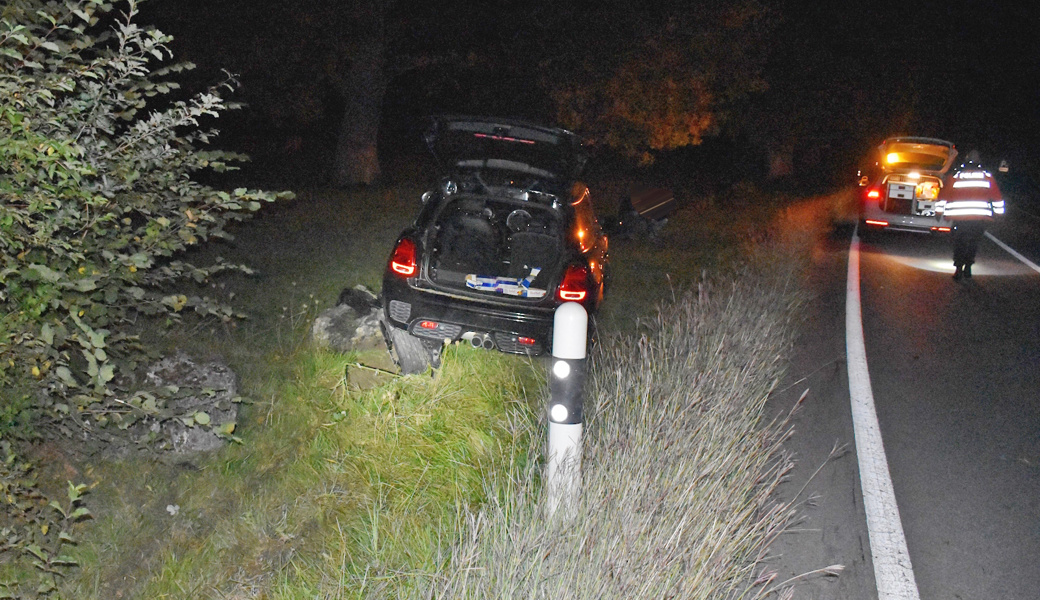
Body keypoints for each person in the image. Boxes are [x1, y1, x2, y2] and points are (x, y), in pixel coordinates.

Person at [937, 157, 1005, 280]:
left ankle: (958, 269)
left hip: (960, 217)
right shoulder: (987, 177)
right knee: (973, 242)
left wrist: (939, 212)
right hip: (979, 218)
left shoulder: (956, 176)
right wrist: (999, 214)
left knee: (959, 242)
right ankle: (968, 267)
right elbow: (996, 197)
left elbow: (944, 195)